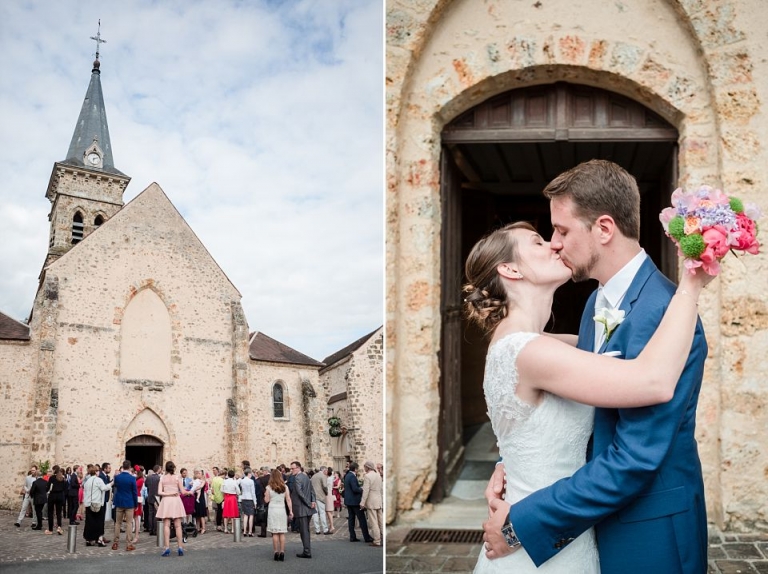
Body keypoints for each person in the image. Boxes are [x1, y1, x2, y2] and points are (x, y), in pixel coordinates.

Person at [474, 161, 710, 574]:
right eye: (547, 237)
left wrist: (518, 525)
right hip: (580, 527)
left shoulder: (666, 312)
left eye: (561, 231)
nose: (555, 243)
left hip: (647, 531)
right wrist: (511, 460)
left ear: (603, 229)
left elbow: (635, 453)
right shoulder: (593, 305)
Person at [155, 460, 186, 557]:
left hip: (166, 501)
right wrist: (190, 491)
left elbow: (159, 492)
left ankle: (167, 547)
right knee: (178, 525)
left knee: (166, 525)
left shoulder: (162, 478)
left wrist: (168, 493)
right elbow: (183, 491)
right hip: (176, 500)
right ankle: (180, 547)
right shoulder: (177, 478)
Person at [265, 468, 293, 561]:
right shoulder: (285, 487)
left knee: (275, 533)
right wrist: (291, 511)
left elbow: (267, 500)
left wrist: (265, 495)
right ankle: (282, 552)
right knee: (282, 532)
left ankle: (275, 552)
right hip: (281, 509)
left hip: (273, 509)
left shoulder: (269, 487)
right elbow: (288, 499)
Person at [289, 461, 315, 558]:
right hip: (307, 508)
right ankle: (306, 550)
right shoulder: (306, 477)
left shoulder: (297, 478)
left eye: (293, 468)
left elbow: (300, 493)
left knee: (304, 531)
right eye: (291, 468)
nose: (291, 470)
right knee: (306, 530)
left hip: (302, 508)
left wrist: (309, 503)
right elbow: (312, 490)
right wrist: (313, 501)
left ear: (298, 468)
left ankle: (307, 551)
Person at [82, 464, 112, 546]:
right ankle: (99, 539)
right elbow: (104, 488)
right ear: (95, 472)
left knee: (89, 522)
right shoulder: (98, 480)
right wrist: (111, 484)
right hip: (98, 503)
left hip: (88, 504)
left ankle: (89, 539)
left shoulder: (87, 481)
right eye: (98, 471)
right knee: (99, 522)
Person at [111, 460, 138, 551]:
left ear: (122, 467)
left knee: (118, 523)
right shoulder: (132, 478)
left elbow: (116, 489)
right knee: (129, 523)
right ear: (130, 467)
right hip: (129, 502)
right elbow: (134, 492)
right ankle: (128, 544)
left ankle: (115, 543)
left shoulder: (117, 477)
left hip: (119, 501)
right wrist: (136, 503)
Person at [343, 462, 373, 543]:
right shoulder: (352, 476)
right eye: (357, 469)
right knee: (362, 519)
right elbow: (355, 489)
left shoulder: (347, 475)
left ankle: (352, 536)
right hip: (355, 501)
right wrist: (362, 489)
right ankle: (367, 537)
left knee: (351, 519)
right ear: (355, 469)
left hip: (349, 501)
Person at [360, 461, 383, 547]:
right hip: (378, 500)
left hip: (371, 501)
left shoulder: (367, 476)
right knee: (381, 521)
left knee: (374, 522)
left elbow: (365, 490)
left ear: (368, 467)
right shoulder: (378, 475)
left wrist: (362, 502)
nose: (364, 468)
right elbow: (381, 489)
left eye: (365, 467)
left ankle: (377, 541)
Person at [45, 468, 67, 535]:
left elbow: (48, 487)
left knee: (50, 512)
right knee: (59, 513)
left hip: (52, 495)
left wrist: (47, 490)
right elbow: (64, 488)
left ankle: (50, 529)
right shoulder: (62, 478)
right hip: (60, 496)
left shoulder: (52, 478)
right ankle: (59, 527)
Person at [310, 466, 330, 535]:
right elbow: (324, 486)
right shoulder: (323, 476)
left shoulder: (313, 476)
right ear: (324, 470)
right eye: (326, 470)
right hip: (320, 496)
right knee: (322, 513)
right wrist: (326, 492)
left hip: (313, 496)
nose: (327, 472)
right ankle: (325, 529)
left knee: (315, 513)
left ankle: (317, 529)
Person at [221, 469, 241, 534]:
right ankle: (232, 529)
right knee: (233, 514)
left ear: (228, 475)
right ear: (233, 476)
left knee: (226, 513)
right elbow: (238, 491)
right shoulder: (234, 482)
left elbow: (221, 490)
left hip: (226, 497)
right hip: (233, 497)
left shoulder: (224, 481)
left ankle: (226, 529)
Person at [144, 465, 161, 536]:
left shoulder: (148, 477)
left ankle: (150, 529)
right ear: (158, 470)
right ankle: (154, 530)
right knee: (155, 514)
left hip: (150, 496)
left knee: (150, 514)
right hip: (156, 497)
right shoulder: (159, 478)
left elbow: (146, 485)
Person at [239, 467, 256, 537]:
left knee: (245, 515)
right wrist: (255, 502)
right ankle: (250, 531)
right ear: (249, 473)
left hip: (244, 498)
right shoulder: (251, 481)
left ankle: (245, 531)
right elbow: (253, 492)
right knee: (251, 516)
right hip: (250, 499)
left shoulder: (242, 481)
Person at [191, 468, 208, 535]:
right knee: (197, 514)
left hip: (201, 498)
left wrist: (194, 489)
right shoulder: (195, 480)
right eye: (197, 473)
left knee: (201, 514)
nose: (198, 474)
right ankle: (197, 527)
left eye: (199, 473)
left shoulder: (203, 481)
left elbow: (200, 487)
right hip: (195, 497)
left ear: (202, 474)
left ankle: (203, 528)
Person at [257, 466, 271, 537]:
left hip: (264, 498)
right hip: (272, 499)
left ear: (265, 471)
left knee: (263, 517)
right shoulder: (273, 479)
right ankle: (273, 532)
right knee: (271, 516)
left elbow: (261, 489)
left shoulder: (261, 479)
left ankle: (263, 533)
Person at [131, 467, 144, 543]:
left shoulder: (140, 480)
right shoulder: (136, 479)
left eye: (135, 473)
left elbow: (134, 486)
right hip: (133, 497)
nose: (134, 474)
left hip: (136, 498)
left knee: (136, 517)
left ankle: (136, 535)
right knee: (132, 517)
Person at [210, 467, 225, 532]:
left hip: (216, 497)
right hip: (222, 497)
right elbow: (223, 489)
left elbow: (212, 489)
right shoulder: (221, 480)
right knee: (222, 512)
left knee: (219, 511)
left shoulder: (214, 479)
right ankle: (223, 525)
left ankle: (218, 525)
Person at [325, 466, 336, 534]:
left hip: (328, 494)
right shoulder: (331, 478)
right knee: (330, 511)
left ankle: (332, 526)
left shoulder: (328, 479)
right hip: (330, 493)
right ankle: (331, 525)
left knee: (328, 511)